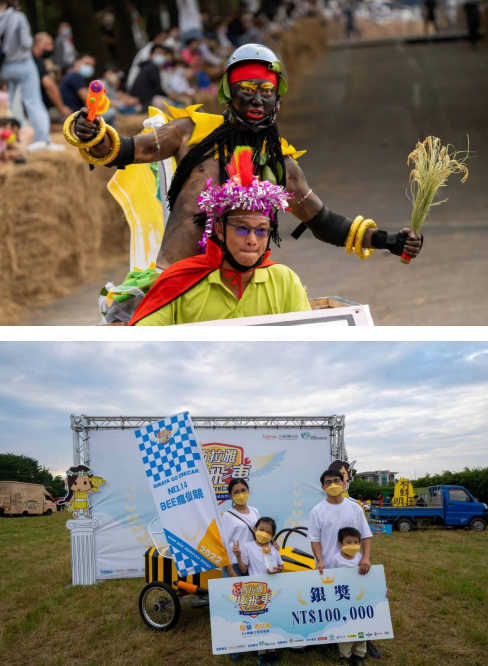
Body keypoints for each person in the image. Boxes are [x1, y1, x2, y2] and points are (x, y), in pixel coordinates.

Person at [69, 43, 423, 276]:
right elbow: (126, 150)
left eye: (266, 91)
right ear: (228, 95)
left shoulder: (281, 164)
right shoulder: (189, 131)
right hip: (175, 281)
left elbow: (324, 222)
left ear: (278, 100)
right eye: (246, 90)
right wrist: (94, 134)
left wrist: (388, 240)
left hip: (246, 284)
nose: (257, 100)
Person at [128, 145, 311, 326]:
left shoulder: (285, 280)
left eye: (261, 231)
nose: (252, 240)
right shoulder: (178, 280)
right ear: (219, 230)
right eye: (242, 229)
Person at [0, 0, 59, 152]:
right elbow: (26, 43)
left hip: (5, 66)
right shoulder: (18, 17)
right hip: (23, 64)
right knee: (33, 102)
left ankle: (13, 137)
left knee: (10, 101)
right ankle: (42, 138)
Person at [330, 527, 391, 666]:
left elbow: (369, 579)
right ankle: (345, 656)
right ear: (341, 544)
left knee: (362, 625)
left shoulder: (361, 558)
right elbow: (331, 581)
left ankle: (360, 654)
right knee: (345, 627)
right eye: (348, 542)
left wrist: (380, 589)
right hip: (344, 600)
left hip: (360, 600)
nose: (353, 545)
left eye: (356, 542)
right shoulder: (335, 560)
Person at [233, 516, 282, 666]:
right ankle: (261, 653)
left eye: (268, 532)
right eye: (261, 530)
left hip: (273, 590)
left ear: (272, 536)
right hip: (256, 590)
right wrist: (238, 556)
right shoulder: (248, 547)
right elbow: (243, 569)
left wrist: (277, 570)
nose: (264, 533)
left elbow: (281, 566)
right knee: (259, 622)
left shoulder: (274, 548)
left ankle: (272, 652)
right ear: (255, 529)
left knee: (272, 620)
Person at [308, 469, 372, 573]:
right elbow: (315, 540)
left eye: (336, 480)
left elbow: (365, 535)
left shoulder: (355, 508)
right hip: (328, 568)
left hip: (355, 567)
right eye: (328, 482)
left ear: (343, 484)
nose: (333, 484)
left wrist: (365, 558)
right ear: (323, 487)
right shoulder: (317, 511)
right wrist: (320, 561)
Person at [221, 478, 260, 578]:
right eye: (236, 492)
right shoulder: (227, 516)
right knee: (233, 594)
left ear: (248, 490)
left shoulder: (255, 511)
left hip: (253, 562)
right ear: (230, 495)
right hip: (235, 565)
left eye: (243, 490)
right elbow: (222, 545)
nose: (241, 494)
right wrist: (231, 572)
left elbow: (260, 534)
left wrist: (272, 544)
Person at [32, 32, 72, 125]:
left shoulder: (38, 61)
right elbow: (48, 84)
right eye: (48, 44)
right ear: (37, 44)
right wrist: (61, 108)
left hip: (41, 108)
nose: (51, 48)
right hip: (43, 109)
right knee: (71, 120)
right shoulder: (36, 61)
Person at [129, 44, 169, 110]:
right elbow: (157, 89)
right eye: (158, 53)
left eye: (163, 54)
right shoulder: (151, 68)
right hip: (143, 101)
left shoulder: (147, 66)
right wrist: (168, 95)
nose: (160, 56)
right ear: (151, 55)